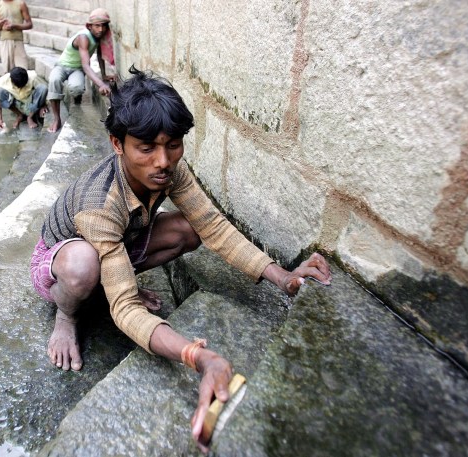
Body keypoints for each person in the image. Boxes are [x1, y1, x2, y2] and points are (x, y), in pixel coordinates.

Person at [29, 66, 332, 452]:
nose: (163, 161)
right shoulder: (98, 205)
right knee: (84, 266)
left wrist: (282, 277)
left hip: (122, 242)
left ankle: (112, 276)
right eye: (147, 148)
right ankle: (67, 316)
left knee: (190, 229)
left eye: (173, 144)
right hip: (61, 262)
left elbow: (213, 227)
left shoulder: (172, 170)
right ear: (117, 144)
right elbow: (124, 308)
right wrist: (198, 356)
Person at [46, 8, 114, 133]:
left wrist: (103, 75)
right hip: (62, 66)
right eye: (97, 26)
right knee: (54, 80)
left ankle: (76, 97)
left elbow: (100, 56)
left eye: (103, 26)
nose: (101, 29)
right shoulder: (83, 37)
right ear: (89, 26)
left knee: (77, 88)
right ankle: (56, 119)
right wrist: (101, 84)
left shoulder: (98, 37)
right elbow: (86, 66)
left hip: (76, 69)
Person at [0, 0, 32, 74]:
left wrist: (14, 26)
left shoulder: (21, 4)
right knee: (7, 72)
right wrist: (0, 25)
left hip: (18, 40)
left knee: (23, 70)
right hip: (5, 40)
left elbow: (29, 24)